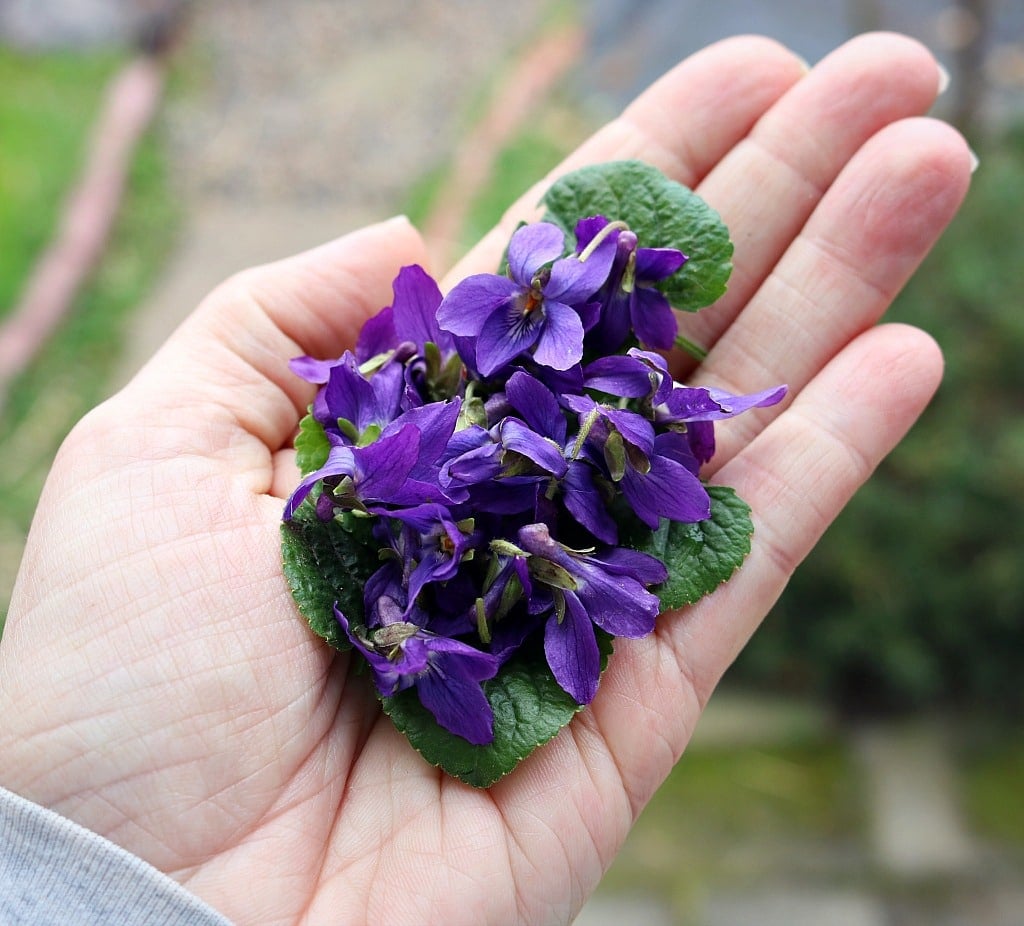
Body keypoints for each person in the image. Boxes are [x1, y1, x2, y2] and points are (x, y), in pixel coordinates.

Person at [0, 32, 972, 926]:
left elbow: (516, 403)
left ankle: (584, 472)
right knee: (523, 537)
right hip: (464, 507)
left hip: (534, 467)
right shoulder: (452, 404)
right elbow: (444, 353)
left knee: (580, 519)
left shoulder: (544, 384)